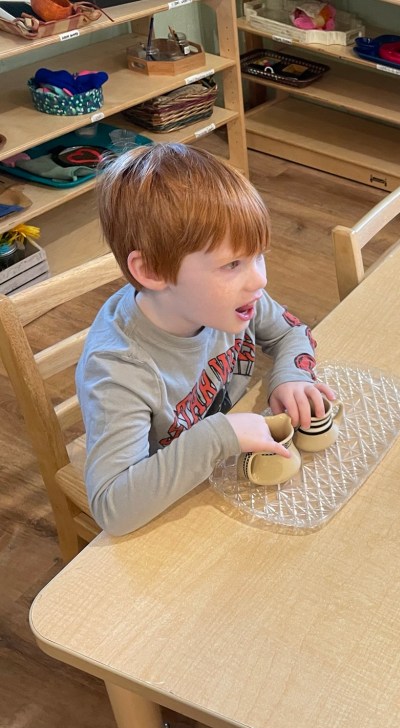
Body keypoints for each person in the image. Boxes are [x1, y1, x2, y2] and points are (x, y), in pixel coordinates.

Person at [76, 143, 335, 536]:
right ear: (152, 270)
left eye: (258, 256)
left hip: (220, 465)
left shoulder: (228, 301)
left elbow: (290, 330)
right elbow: (114, 508)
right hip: (168, 495)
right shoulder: (119, 370)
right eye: (232, 264)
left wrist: (291, 376)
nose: (260, 279)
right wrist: (220, 436)